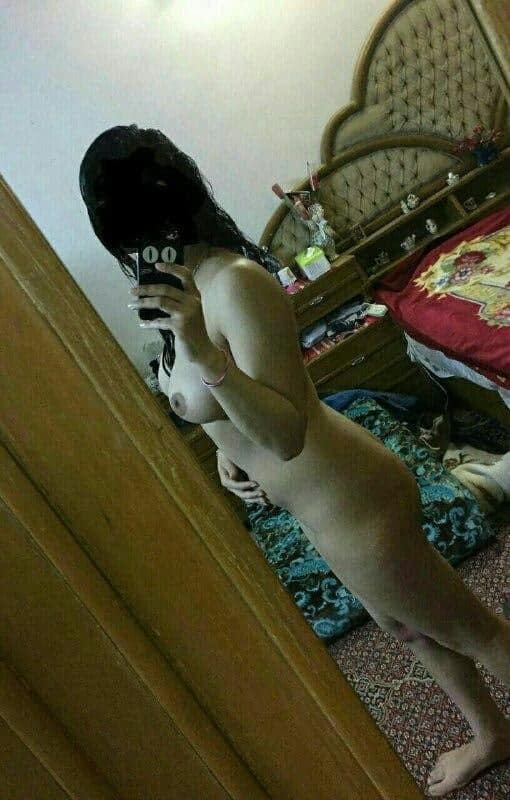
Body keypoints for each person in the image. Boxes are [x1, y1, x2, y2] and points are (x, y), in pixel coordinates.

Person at [79, 125, 510, 797]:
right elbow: (226, 414)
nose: (140, 247)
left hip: (350, 498)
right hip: (317, 508)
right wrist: (227, 459)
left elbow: (284, 433)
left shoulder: (236, 284)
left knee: (470, 630)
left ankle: (492, 733)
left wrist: (202, 350)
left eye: (141, 226)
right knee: (409, 630)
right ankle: (491, 733)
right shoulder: (174, 291)